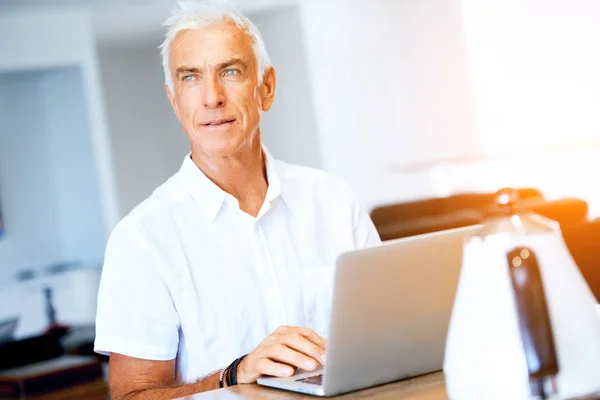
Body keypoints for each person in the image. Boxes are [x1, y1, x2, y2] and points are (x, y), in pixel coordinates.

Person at [94, 1, 380, 398]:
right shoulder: (141, 240)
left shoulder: (333, 201)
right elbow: (130, 397)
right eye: (191, 77)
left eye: (230, 71)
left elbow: (385, 342)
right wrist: (234, 375)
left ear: (266, 87)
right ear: (175, 100)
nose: (211, 97)